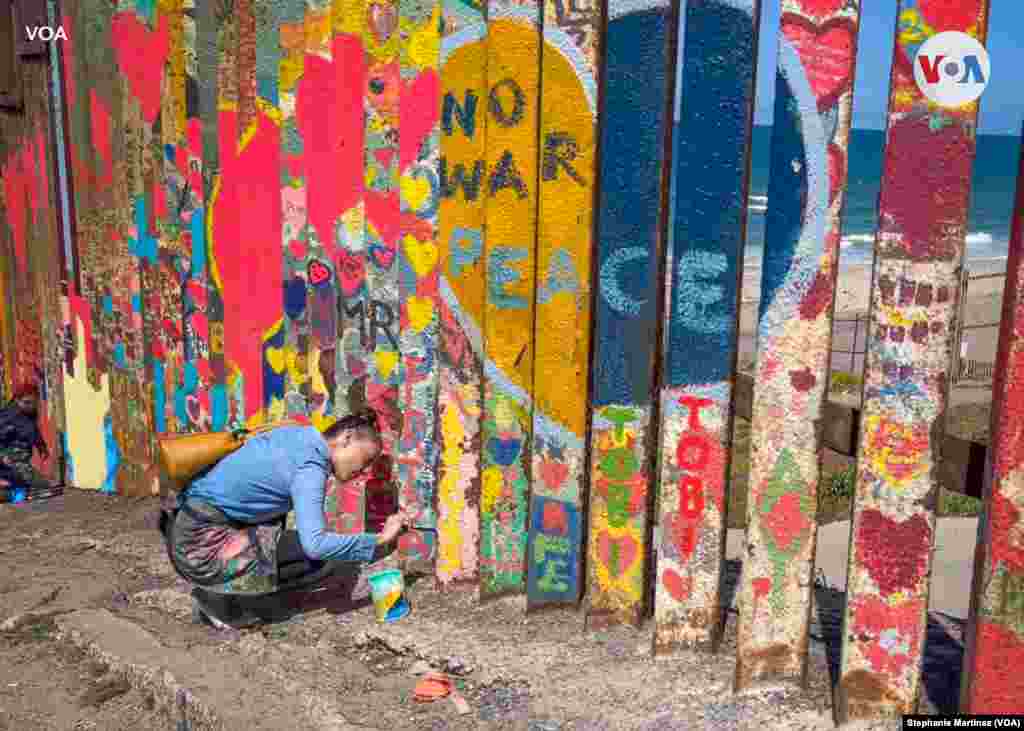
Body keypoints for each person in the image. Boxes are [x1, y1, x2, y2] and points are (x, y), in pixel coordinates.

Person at [160, 408, 413, 628]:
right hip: (200, 551)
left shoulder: (297, 434)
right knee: (317, 561)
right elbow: (315, 545)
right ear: (346, 438)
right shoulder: (311, 467)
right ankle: (218, 603)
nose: (365, 470)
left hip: (184, 528)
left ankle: (235, 596)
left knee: (295, 547)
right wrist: (379, 539)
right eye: (366, 459)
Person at [0, 381, 52, 498]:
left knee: (39, 486)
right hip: (9, 462)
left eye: (34, 403)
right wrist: (2, 456)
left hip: (21, 462)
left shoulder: (30, 414)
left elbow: (34, 431)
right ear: (17, 400)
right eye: (26, 402)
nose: (30, 406)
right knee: (43, 486)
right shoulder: (7, 416)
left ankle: (15, 488)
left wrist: (42, 448)